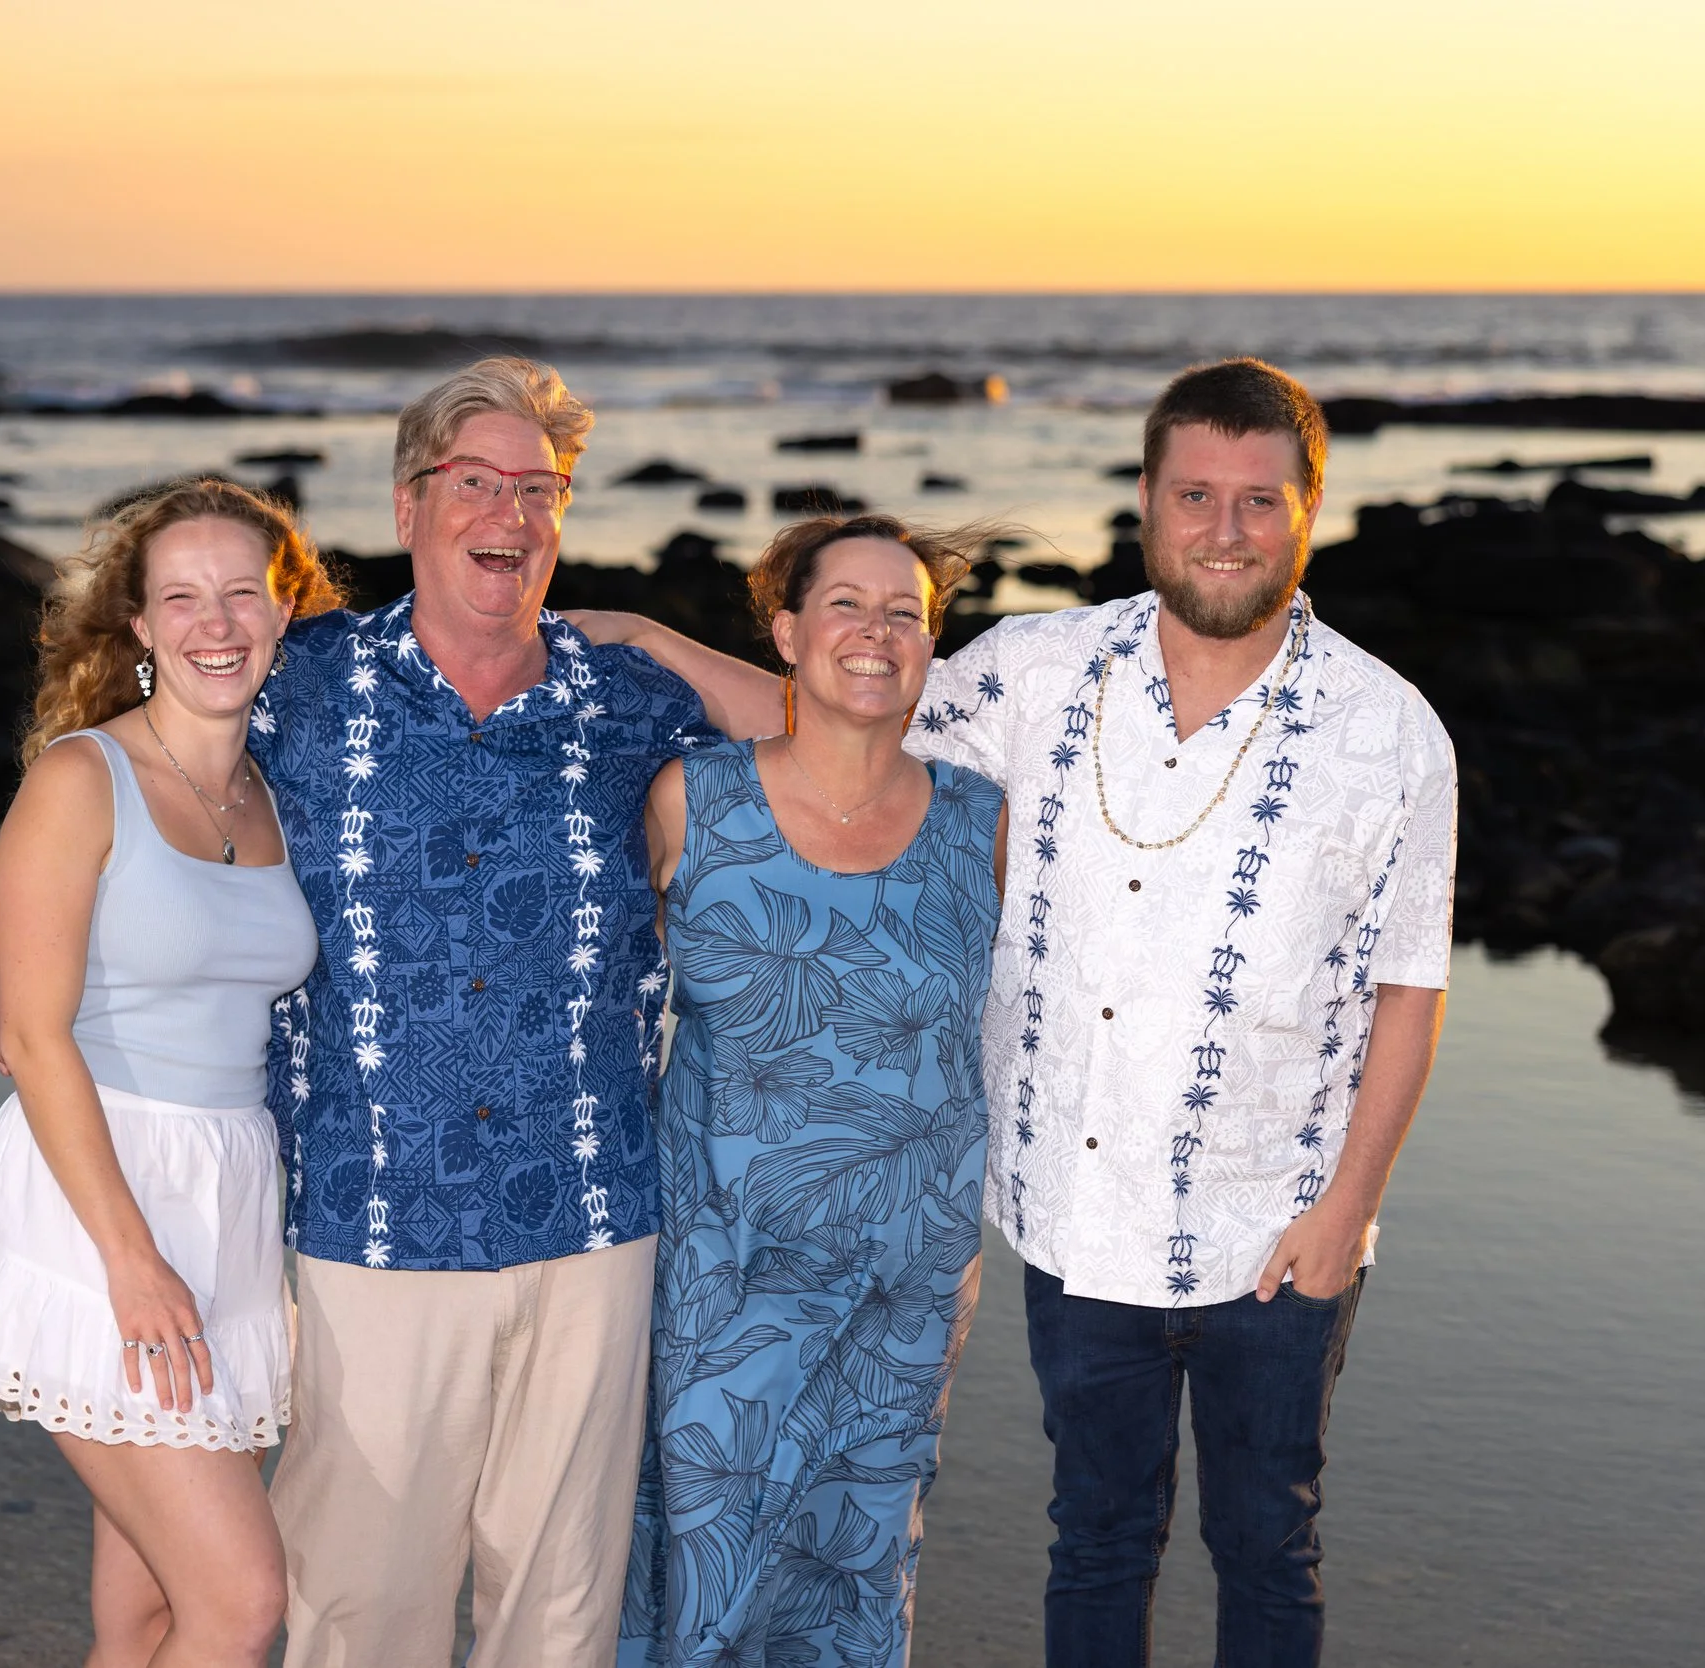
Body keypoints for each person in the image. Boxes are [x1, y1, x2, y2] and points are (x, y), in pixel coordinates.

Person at [574, 357, 1456, 1668]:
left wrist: (1345, 1212)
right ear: (1149, 504)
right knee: (1095, 1535)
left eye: (1259, 502)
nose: (1226, 529)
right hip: (1075, 1219)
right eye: (1196, 496)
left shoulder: (1389, 731)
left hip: (1276, 1224)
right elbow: (849, 722)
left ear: (1309, 509)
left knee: (1267, 1540)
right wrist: (653, 644)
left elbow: (1409, 987)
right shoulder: (1044, 670)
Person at [0, 358, 717, 1666]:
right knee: (356, 1608)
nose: (508, 512)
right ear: (407, 506)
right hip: (373, 1222)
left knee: (561, 1613)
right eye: (474, 482)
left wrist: (658, 635)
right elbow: (145, 786)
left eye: (537, 488)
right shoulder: (301, 680)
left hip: (595, 1211)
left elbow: (845, 738)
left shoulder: (627, 700)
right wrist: (58, 987)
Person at [0, 477, 340, 1668]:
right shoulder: (80, 779)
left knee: (153, 1610)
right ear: (141, 629)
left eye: (241, 594)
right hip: (101, 1200)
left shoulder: (274, 789)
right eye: (180, 598)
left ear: (285, 611)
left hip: (230, 1199)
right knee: (242, 1600)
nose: (215, 623)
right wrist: (130, 1260)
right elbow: (40, 1036)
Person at [619, 517, 1009, 1668]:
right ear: (785, 632)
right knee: (700, 1556)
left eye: (905, 613)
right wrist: (644, 634)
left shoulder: (980, 824)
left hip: (905, 1275)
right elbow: (595, 999)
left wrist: (972, 1247)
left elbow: (993, 1042)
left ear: (932, 647)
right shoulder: (696, 800)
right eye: (845, 604)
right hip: (722, 1265)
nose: (876, 633)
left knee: (852, 1576)